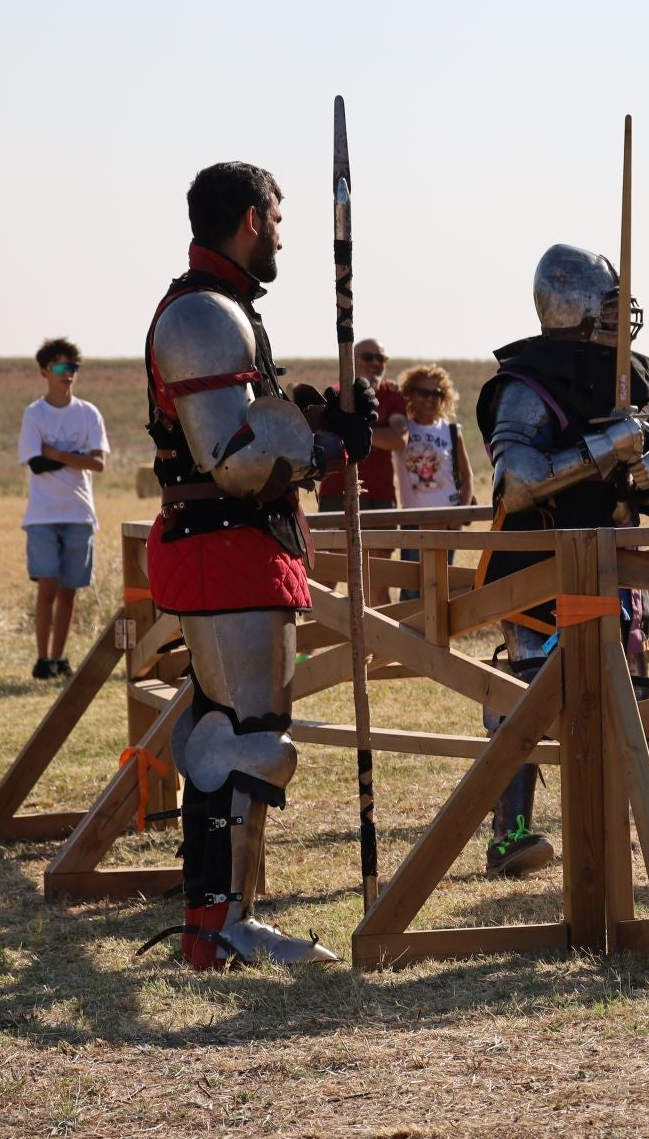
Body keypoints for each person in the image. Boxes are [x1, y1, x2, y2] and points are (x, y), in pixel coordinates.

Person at [140, 160, 376, 967]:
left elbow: (254, 429)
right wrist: (322, 449)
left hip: (242, 548)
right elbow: (233, 457)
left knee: (230, 735)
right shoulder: (203, 315)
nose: (281, 231)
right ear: (249, 217)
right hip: (226, 548)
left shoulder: (224, 308)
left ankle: (217, 926)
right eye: (276, 217)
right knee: (249, 739)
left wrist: (321, 420)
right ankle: (226, 927)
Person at [476, 244, 649, 879]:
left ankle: (613, 833)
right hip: (541, 573)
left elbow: (638, 487)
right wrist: (605, 447)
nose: (618, 315)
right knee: (531, 699)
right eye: (607, 303)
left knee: (626, 689)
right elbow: (515, 483)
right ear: (572, 305)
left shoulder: (621, 378)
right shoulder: (527, 387)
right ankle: (510, 835)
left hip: (615, 568)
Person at [18, 337, 108, 682]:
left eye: (72, 367)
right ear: (44, 371)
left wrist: (55, 454)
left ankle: (59, 657)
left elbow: (98, 463)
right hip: (43, 515)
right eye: (59, 366)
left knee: (69, 591)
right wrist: (75, 460)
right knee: (48, 587)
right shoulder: (34, 413)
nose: (67, 373)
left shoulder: (88, 413)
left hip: (79, 513)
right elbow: (35, 463)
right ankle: (42, 658)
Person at [316, 337, 405, 605]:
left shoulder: (393, 396)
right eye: (369, 357)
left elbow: (399, 439)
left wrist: (355, 434)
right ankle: (309, 646)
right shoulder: (334, 396)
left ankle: (381, 648)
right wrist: (371, 434)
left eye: (382, 359)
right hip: (337, 492)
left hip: (379, 495)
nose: (376, 363)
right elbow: (323, 439)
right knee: (326, 580)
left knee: (377, 581)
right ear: (351, 361)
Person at [392, 364, 474, 601]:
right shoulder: (403, 428)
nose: (430, 399)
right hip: (413, 519)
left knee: (443, 588)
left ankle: (439, 639)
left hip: (446, 519)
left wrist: (461, 514)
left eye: (436, 393)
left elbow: (467, 476)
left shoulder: (450, 431)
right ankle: (409, 637)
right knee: (411, 587)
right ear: (411, 394)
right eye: (423, 392)